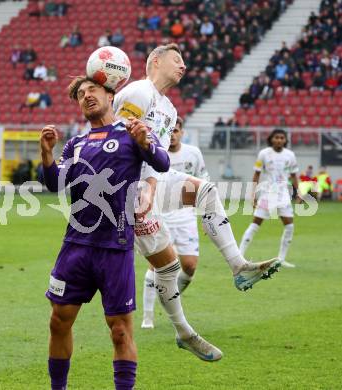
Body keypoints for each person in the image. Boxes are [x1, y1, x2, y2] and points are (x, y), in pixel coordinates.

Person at [113, 43, 281, 361]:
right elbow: (117, 145)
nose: (184, 66)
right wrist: (141, 189)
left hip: (150, 184)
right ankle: (184, 332)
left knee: (205, 191)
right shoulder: (138, 92)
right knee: (167, 267)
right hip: (121, 189)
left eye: (185, 61)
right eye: (177, 60)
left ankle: (238, 267)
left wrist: (150, 185)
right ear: (155, 61)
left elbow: (155, 156)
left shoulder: (168, 109)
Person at [41, 74, 170, 390]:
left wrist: (145, 143)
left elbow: (163, 163)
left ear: (111, 95)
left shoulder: (131, 132)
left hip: (115, 246)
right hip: (75, 246)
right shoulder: (76, 143)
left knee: (120, 331)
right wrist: (46, 154)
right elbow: (55, 183)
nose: (86, 96)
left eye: (93, 90)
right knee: (59, 322)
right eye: (81, 94)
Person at [141, 116, 209, 328]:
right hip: (159, 212)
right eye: (169, 131)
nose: (172, 135)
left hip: (185, 215)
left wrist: (207, 214)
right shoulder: (152, 152)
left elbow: (203, 183)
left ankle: (168, 297)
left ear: (182, 132)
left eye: (176, 131)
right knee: (156, 264)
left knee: (189, 267)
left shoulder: (193, 153)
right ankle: (148, 316)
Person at [239, 129, 299, 268]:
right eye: (276, 137)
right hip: (267, 194)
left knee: (289, 226)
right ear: (271, 139)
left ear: (285, 140)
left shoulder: (290, 155)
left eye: (281, 138)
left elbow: (294, 175)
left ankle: (281, 259)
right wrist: (253, 194)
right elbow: (256, 175)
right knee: (255, 224)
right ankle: (239, 256)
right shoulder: (264, 154)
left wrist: (298, 193)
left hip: (283, 195)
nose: (279, 140)